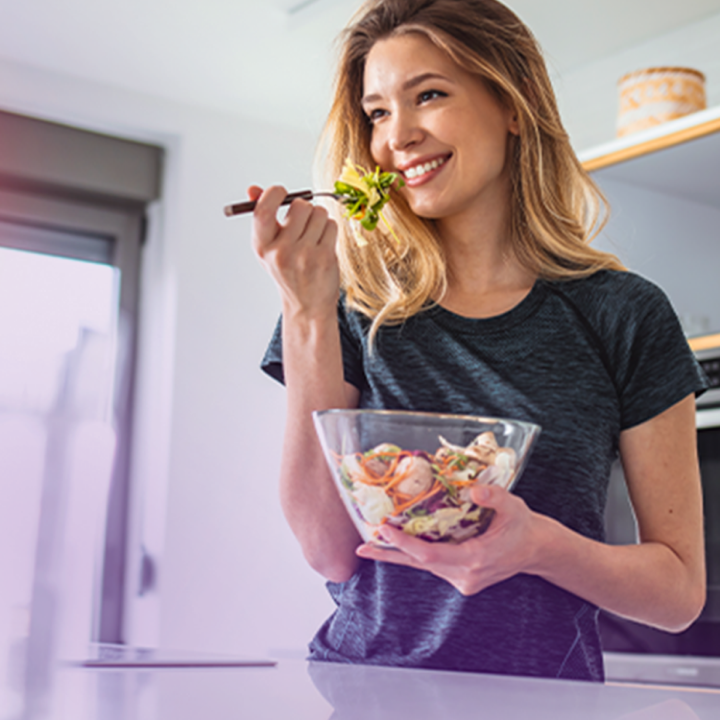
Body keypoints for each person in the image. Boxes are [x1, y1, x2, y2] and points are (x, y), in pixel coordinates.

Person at [250, 0, 708, 681]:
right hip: (365, 688)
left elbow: (678, 595)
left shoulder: (626, 314)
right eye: (377, 112)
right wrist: (306, 311)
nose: (396, 136)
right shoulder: (348, 303)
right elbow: (330, 551)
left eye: (428, 95)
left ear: (514, 105)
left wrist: (539, 547)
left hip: (544, 701)